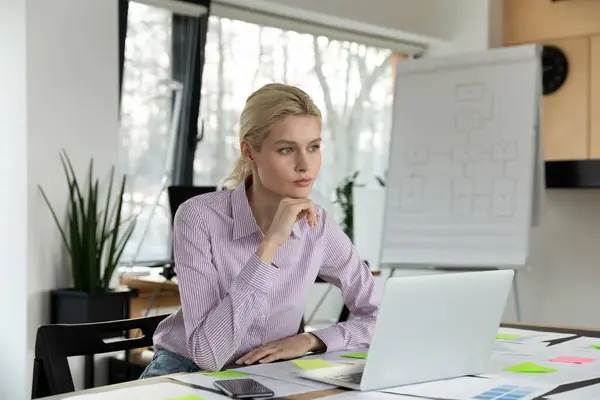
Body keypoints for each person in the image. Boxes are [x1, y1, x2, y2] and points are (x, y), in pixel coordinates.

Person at [139, 83, 379, 378]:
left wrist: (313, 340)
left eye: (313, 147)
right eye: (287, 149)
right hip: (187, 370)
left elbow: (380, 315)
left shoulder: (318, 226)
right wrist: (271, 244)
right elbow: (208, 355)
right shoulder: (198, 217)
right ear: (248, 152)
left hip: (270, 372)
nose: (305, 165)